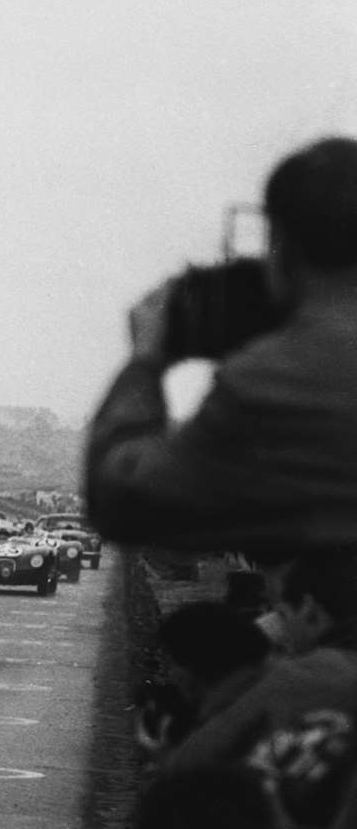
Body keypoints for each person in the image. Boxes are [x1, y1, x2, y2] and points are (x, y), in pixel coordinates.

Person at [88, 136, 357, 555]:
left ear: (282, 250)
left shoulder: (273, 379)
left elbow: (122, 500)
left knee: (200, 626)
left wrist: (145, 363)